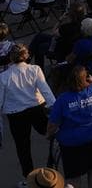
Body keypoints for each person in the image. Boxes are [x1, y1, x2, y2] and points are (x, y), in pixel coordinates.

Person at [48, 65, 92, 188]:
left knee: (74, 176)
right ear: (86, 78)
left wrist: (49, 135)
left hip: (72, 142)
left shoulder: (62, 99)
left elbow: (53, 124)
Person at [0, 44, 55, 179]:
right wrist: (55, 107)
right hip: (36, 108)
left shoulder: (3, 76)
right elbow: (46, 91)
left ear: (11, 58)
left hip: (15, 114)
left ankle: (29, 178)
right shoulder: (35, 69)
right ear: (26, 56)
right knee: (51, 134)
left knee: (22, 147)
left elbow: (0, 100)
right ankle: (53, 166)